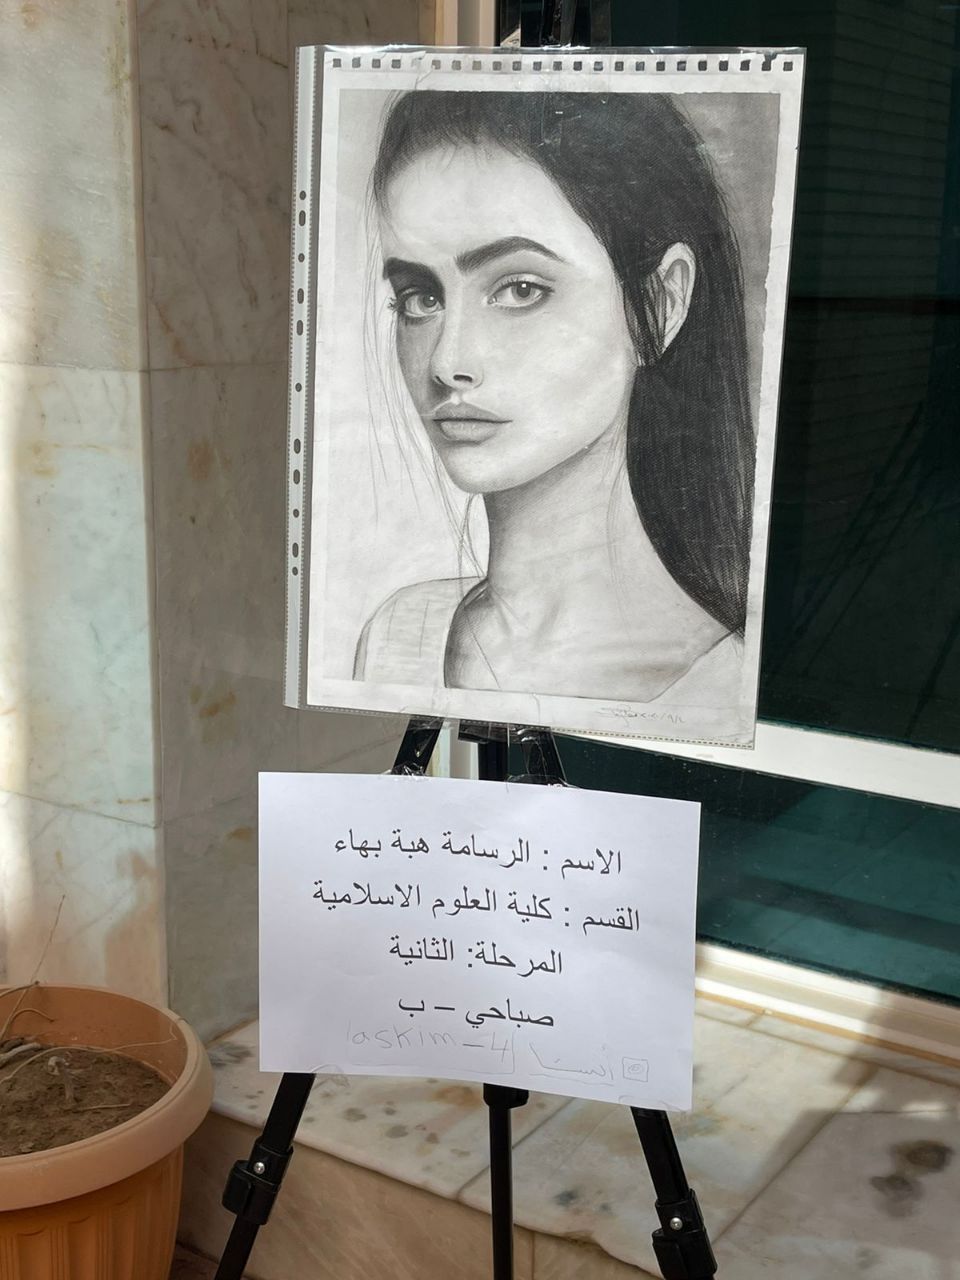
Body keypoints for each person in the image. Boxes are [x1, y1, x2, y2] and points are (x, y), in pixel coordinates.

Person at [354, 89, 755, 707]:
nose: (447, 363)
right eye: (421, 298)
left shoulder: (724, 688)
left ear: (659, 305)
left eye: (520, 289)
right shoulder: (398, 636)